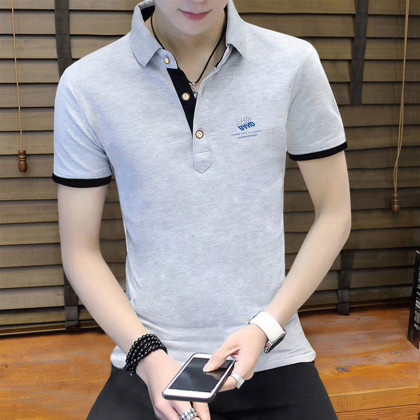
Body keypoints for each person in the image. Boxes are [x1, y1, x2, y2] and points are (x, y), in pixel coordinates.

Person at [52, 0, 351, 418]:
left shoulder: (293, 63)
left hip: (273, 354)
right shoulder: (85, 84)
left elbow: (334, 213)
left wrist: (265, 327)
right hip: (148, 356)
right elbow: (80, 251)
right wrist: (149, 358)